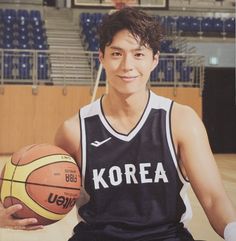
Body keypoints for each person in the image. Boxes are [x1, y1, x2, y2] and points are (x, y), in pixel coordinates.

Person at [0, 7, 235, 241]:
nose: (127, 65)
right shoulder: (74, 131)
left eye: (139, 54)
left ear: (155, 60)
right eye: (116, 54)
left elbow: (213, 199)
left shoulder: (181, 122)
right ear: (101, 57)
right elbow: (51, 188)